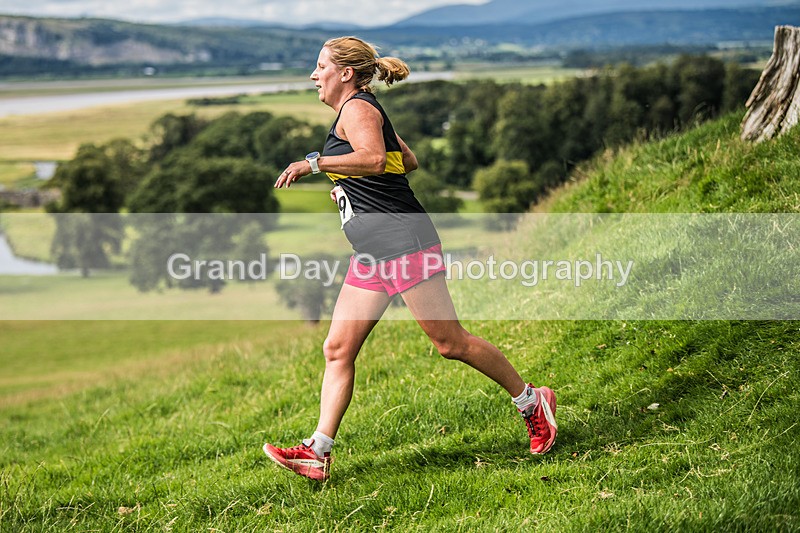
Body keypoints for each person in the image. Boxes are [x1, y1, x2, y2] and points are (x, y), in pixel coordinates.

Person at [264, 36, 556, 481]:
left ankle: (532, 402)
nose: (313, 74)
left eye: (320, 66)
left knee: (450, 343)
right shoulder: (360, 112)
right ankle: (316, 452)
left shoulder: (358, 109)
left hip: (403, 242)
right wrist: (353, 183)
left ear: (345, 73)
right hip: (374, 251)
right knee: (338, 348)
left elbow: (378, 158)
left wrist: (317, 164)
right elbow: (409, 160)